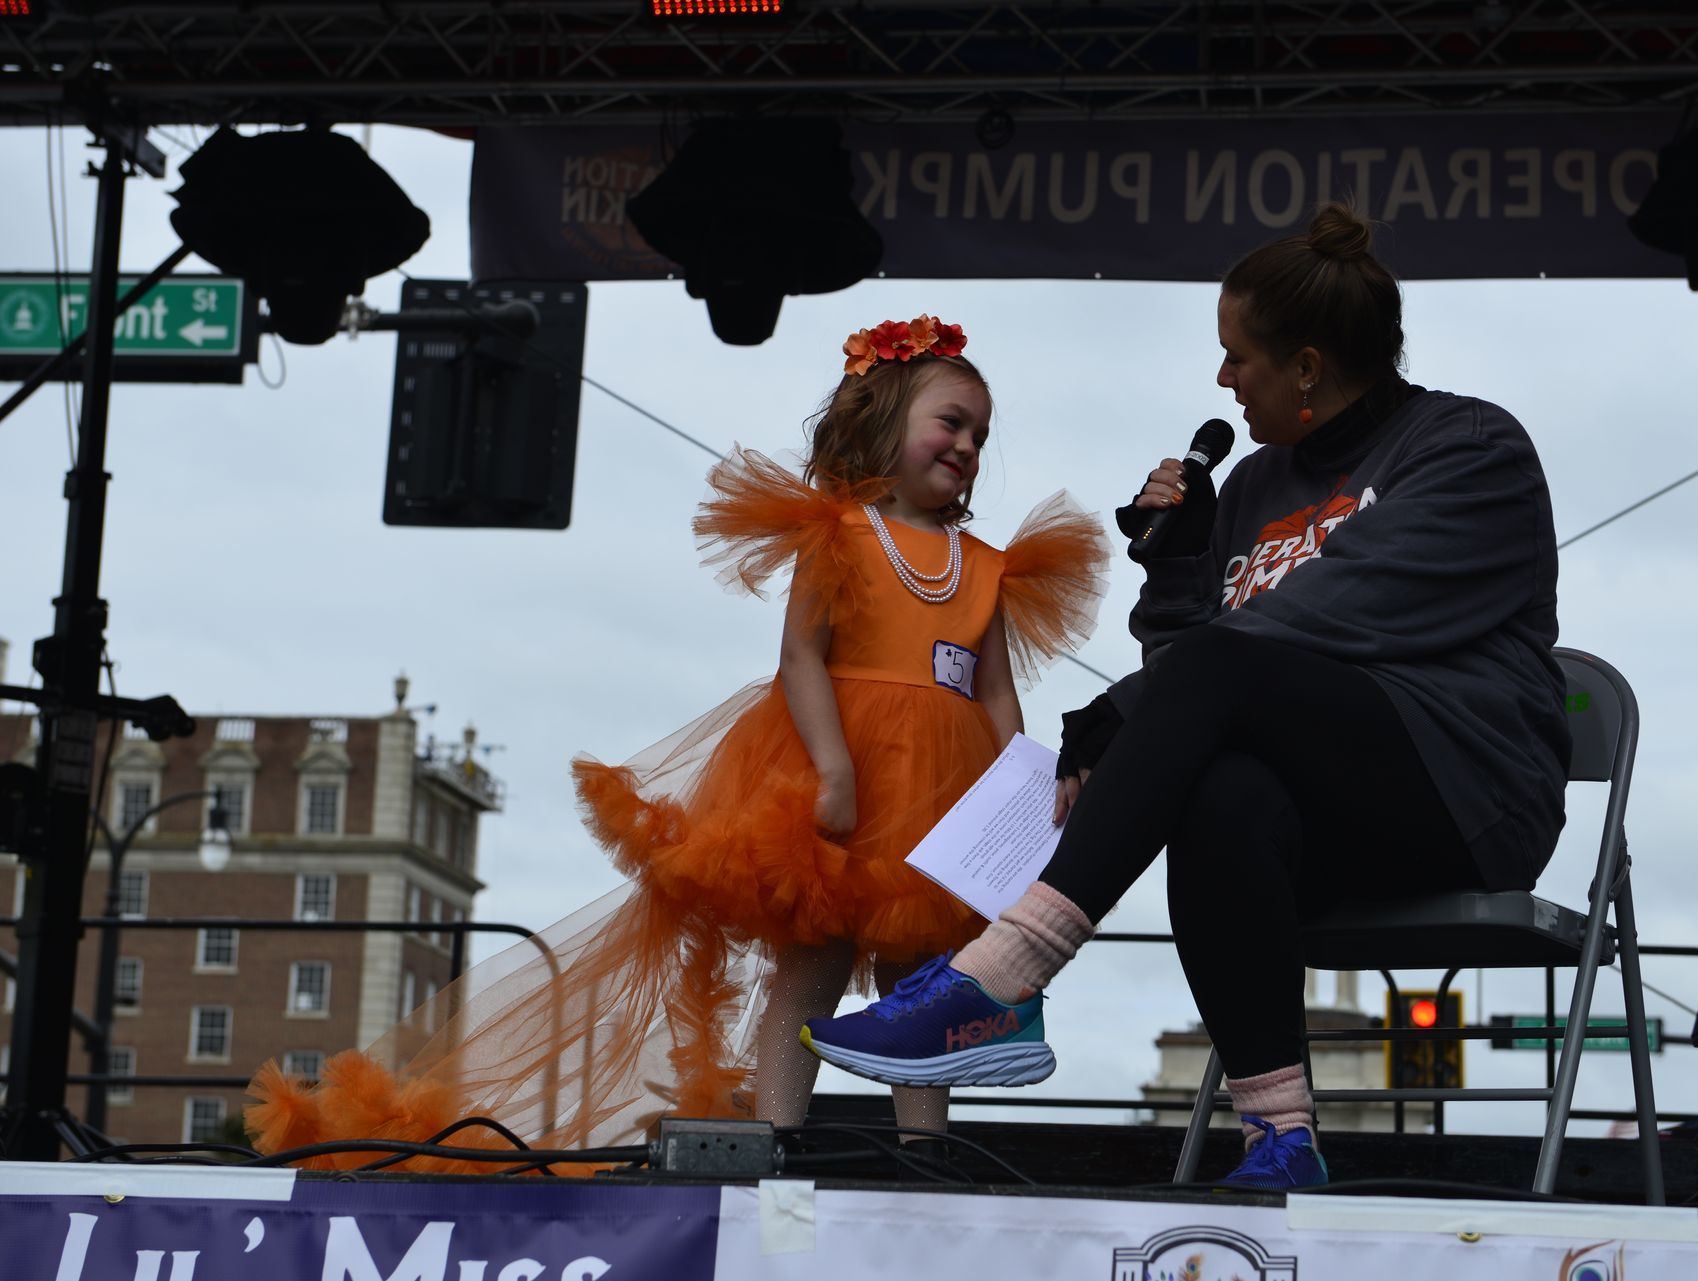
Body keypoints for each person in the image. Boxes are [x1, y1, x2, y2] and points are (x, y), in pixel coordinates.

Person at [801, 206, 1572, 1189]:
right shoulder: (1252, 486)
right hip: (1315, 807)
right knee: (1218, 793)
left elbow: (1324, 617)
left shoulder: (1467, 450)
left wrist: (1132, 702)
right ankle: (1280, 1140)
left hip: (1460, 789)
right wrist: (1181, 566)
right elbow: (1197, 671)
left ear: (1304, 366)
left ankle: (1003, 977)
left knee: (1208, 691)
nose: (1221, 380)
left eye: (1237, 358)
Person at [242, 314, 1107, 1170]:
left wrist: (1014, 796)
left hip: (944, 790)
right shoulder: (836, 533)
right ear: (886, 420)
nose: (967, 445)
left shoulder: (989, 565)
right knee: (812, 961)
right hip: (843, 769)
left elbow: (996, 689)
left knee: (928, 976)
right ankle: (779, 1133)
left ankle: (927, 1146)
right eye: (950, 422)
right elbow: (801, 656)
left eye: (980, 435)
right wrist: (834, 766)